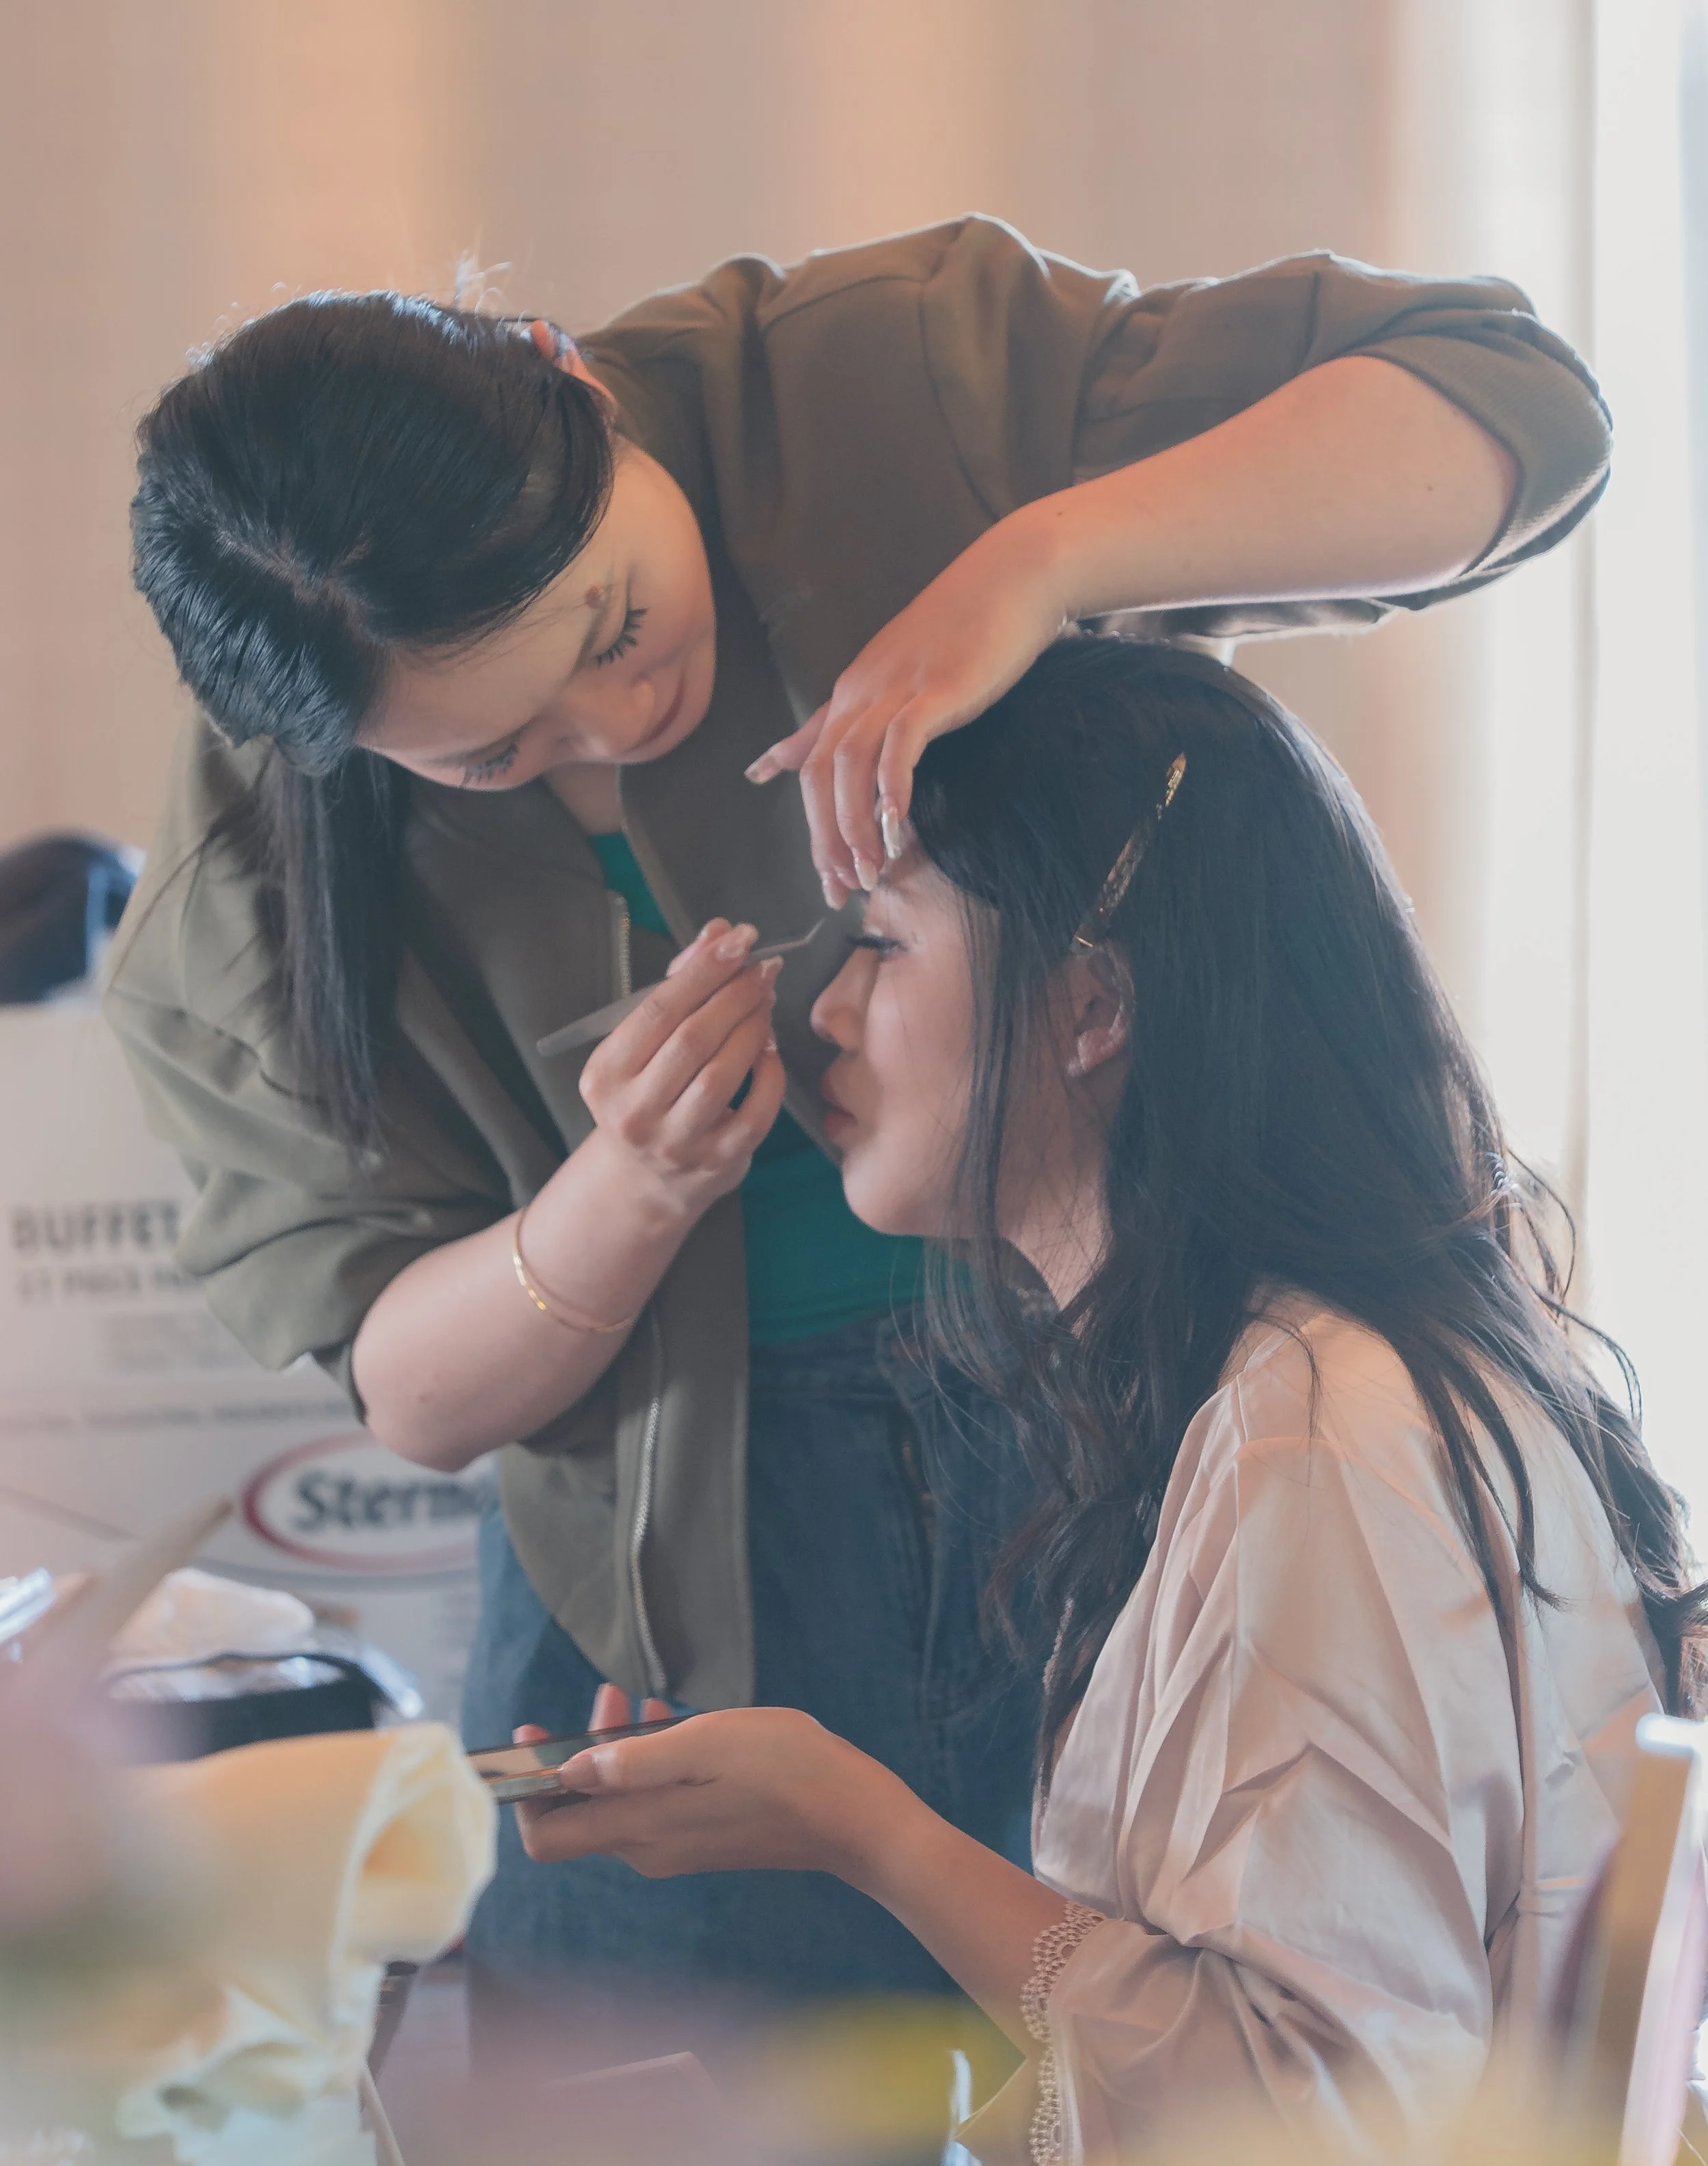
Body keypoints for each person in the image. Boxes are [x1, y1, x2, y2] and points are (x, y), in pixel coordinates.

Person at [109, 218, 1612, 2012]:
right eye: (494, 755)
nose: (624, 715)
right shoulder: (256, 864)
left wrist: (1038, 561)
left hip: (1112, 1392)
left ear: (565, 378)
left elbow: (1511, 406)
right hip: (687, 1570)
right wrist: (627, 1189)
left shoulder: (879, 386)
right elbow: (404, 1382)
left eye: (610, 621)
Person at [511, 635, 1705, 2166]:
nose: (829, 1012)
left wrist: (865, 1831)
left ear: (1087, 1006)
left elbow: (1312, 2143)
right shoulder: (1285, 1384)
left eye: (876, 942)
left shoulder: (1316, 1436)